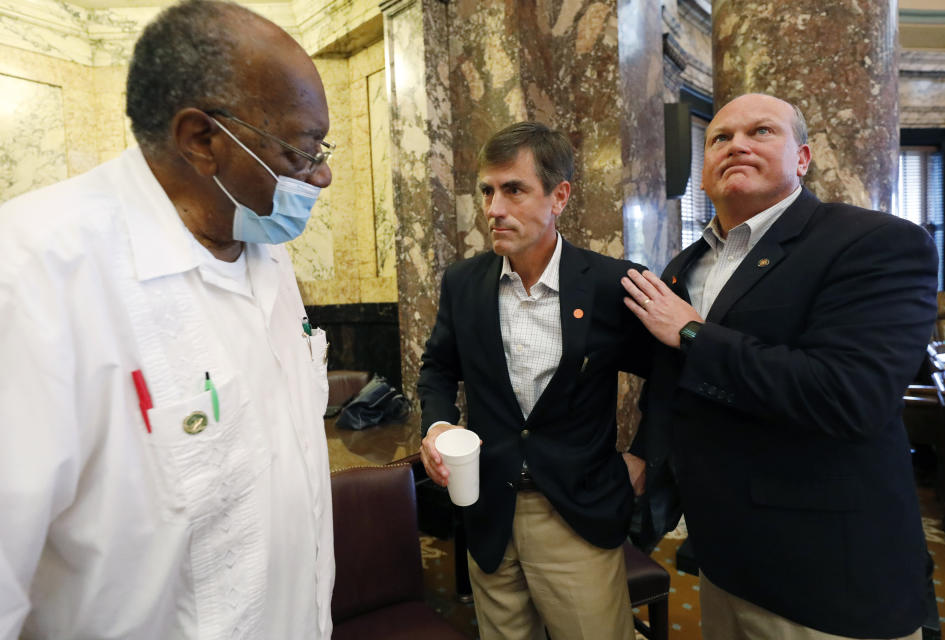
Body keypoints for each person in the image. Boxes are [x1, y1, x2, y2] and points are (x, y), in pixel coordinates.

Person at [0, 2, 336, 638]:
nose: (321, 175)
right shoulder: (35, 274)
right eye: (301, 150)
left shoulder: (269, 256)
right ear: (202, 140)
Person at [622, 93, 936, 639]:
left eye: (761, 131)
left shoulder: (875, 242)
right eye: (720, 137)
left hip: (828, 578)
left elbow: (849, 396)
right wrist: (643, 454)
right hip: (723, 560)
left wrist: (693, 331)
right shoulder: (688, 262)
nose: (737, 144)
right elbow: (674, 381)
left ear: (803, 158)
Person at [417, 122, 653, 640]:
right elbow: (438, 367)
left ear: (559, 195)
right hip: (486, 509)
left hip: (575, 515)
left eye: (514, 189)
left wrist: (644, 455)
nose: (494, 208)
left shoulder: (613, 284)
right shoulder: (464, 284)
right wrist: (437, 424)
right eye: (487, 190)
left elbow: (671, 373)